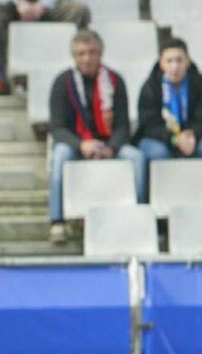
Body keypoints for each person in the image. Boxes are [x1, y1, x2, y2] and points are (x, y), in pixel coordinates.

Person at [47, 29, 145, 244]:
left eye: (92, 52)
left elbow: (122, 125)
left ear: (101, 54)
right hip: (76, 143)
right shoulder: (62, 83)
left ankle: (139, 214)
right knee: (60, 154)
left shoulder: (115, 80)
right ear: (74, 57)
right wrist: (81, 144)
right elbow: (58, 128)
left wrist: (112, 147)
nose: (87, 58)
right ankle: (57, 220)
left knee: (136, 157)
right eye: (81, 53)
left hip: (108, 143)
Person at [133, 38, 202, 165]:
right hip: (159, 138)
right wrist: (174, 139)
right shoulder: (150, 86)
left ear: (187, 61)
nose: (175, 66)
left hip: (193, 137)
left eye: (179, 60)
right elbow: (148, 125)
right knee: (160, 153)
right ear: (161, 63)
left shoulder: (201, 83)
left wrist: (191, 134)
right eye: (169, 61)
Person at [0, 0, 91, 96]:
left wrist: (42, 5)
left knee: (79, 11)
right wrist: (19, 3)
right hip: (14, 7)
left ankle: (77, 75)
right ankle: (4, 77)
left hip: (50, 7)